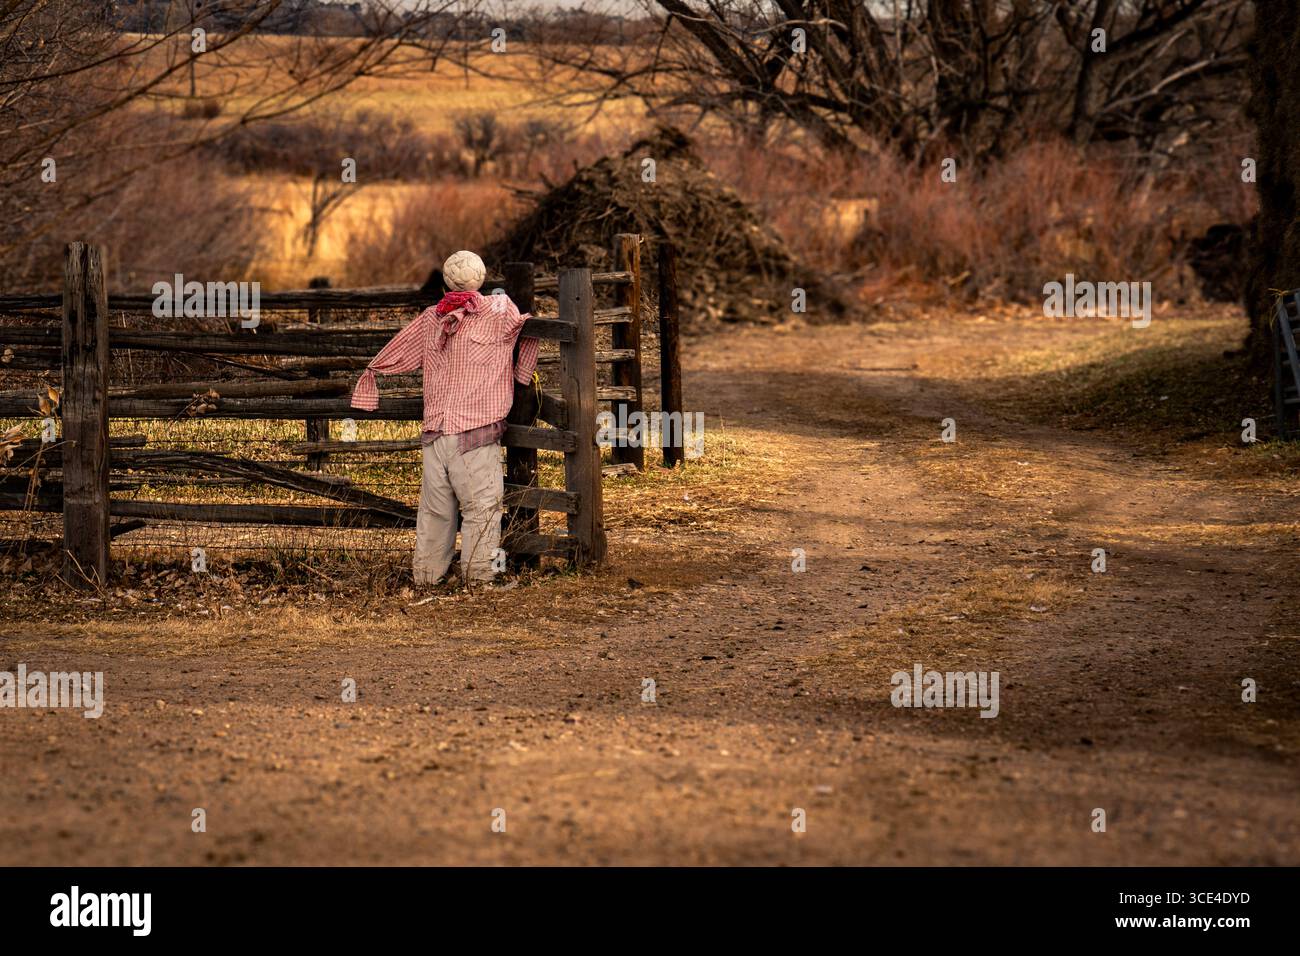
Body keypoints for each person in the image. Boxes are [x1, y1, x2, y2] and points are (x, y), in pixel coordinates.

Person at [350, 250, 538, 586]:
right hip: (475, 434)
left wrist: (373, 373)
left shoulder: (430, 318)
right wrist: (522, 375)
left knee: (435, 513)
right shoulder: (498, 310)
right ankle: (479, 578)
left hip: (435, 433)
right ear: (480, 278)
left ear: (446, 281)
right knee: (482, 510)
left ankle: (426, 577)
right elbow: (528, 328)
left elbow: (398, 351)